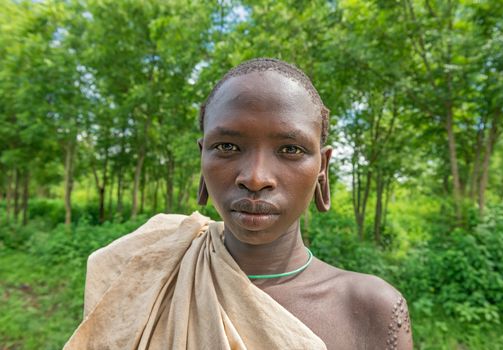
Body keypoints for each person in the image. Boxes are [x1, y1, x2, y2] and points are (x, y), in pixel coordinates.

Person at [64, 58, 412, 350]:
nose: (256, 178)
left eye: (290, 149)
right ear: (203, 156)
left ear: (323, 167)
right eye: (228, 147)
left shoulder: (373, 310)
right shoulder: (139, 274)